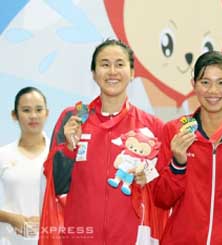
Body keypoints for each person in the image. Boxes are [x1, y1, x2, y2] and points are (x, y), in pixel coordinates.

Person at [39, 39, 168, 245]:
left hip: (130, 237)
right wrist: (69, 149)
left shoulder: (152, 127)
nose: (112, 71)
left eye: (119, 64)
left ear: (133, 72)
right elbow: (52, 181)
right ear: (93, 73)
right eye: (105, 64)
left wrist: (148, 177)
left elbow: (165, 189)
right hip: (80, 237)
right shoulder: (72, 118)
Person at [152, 51, 222, 244]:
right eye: (205, 82)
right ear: (193, 85)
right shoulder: (175, 131)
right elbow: (161, 199)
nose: (213, 90)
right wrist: (178, 164)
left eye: (221, 82)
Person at [0, 87, 49, 244]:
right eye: (26, 110)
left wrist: (48, 219)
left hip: (49, 239)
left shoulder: (58, 154)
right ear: (14, 115)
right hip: (10, 240)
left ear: (46, 113)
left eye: (39, 109)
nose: (33, 116)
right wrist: (11, 218)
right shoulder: (4, 154)